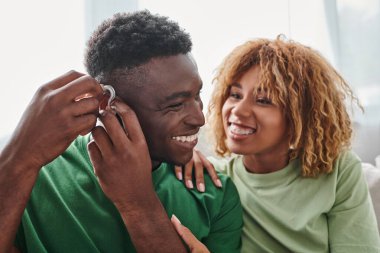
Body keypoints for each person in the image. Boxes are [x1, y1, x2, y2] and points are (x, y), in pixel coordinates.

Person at [0, 10, 243, 253]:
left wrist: (138, 202)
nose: (199, 119)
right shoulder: (36, 176)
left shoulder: (215, 194)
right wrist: (20, 158)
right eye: (175, 105)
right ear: (107, 102)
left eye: (197, 96)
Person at [175, 36, 380, 252]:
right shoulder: (214, 178)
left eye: (263, 100)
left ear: (299, 117)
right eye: (235, 95)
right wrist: (183, 156)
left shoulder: (339, 171)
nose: (238, 110)